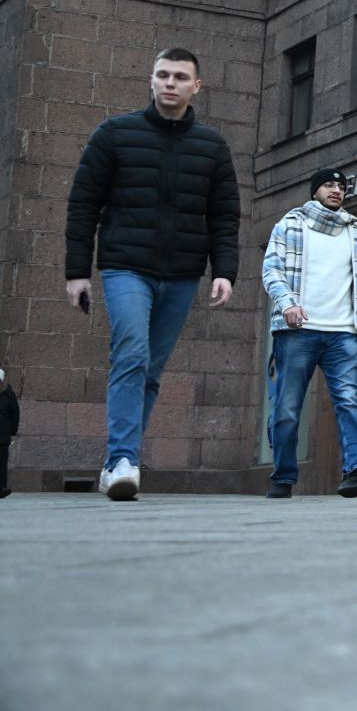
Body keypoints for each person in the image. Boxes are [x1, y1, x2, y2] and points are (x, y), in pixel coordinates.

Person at [65, 48, 239, 502]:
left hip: (182, 272)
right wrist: (76, 272)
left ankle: (118, 461)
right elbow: (84, 204)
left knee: (152, 370)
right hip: (125, 265)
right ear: (151, 79)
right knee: (132, 353)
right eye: (163, 75)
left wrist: (225, 271)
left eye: (180, 77)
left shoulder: (211, 145)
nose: (170, 83)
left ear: (196, 86)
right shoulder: (115, 135)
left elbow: (224, 215)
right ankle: (123, 459)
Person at [259, 169, 357, 499]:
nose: (337, 190)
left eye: (342, 186)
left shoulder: (355, 230)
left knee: (348, 400)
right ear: (315, 190)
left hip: (342, 331)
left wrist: (355, 322)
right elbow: (271, 269)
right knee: (288, 406)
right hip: (297, 329)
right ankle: (284, 475)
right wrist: (287, 303)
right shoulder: (291, 224)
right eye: (329, 185)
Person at [0, 367, 18, 499]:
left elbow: (15, 414)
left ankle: (1, 488)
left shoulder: (9, 395)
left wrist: (12, 431)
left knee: (1, 462)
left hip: (2, 435)